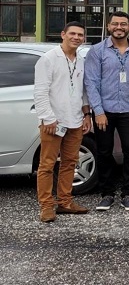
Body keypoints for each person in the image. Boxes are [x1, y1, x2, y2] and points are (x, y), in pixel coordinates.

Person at [85, 11, 129, 211]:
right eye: (115, 24)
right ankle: (107, 193)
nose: (119, 27)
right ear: (109, 26)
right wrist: (98, 111)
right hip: (105, 111)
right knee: (104, 151)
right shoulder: (97, 51)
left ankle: (128, 193)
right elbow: (91, 83)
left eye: (123, 24)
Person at [34, 21, 92, 222]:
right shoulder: (48, 59)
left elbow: (83, 91)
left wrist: (86, 114)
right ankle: (46, 206)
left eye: (80, 35)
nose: (76, 38)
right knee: (47, 165)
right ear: (63, 34)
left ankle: (65, 202)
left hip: (75, 120)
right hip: (54, 121)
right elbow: (40, 91)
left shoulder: (81, 60)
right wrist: (48, 118)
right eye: (73, 34)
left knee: (69, 163)